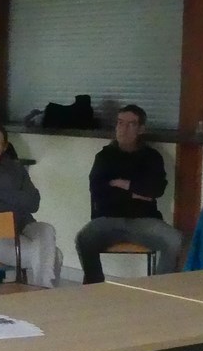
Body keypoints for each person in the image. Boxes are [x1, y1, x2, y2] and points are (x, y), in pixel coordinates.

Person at [74, 104, 184, 283]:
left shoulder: (151, 157)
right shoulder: (104, 156)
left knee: (175, 239)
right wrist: (137, 192)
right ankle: (94, 287)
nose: (123, 129)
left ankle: (160, 289)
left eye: (130, 124)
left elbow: (156, 190)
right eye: (120, 123)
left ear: (141, 129)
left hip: (144, 220)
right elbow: (98, 191)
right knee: (84, 238)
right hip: (108, 219)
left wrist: (121, 183)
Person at [0, 125, 62, 287]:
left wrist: (0, 193)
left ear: (4, 146)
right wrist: (17, 199)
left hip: (24, 226)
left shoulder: (16, 167)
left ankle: (42, 293)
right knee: (54, 256)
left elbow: (34, 202)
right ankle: (45, 294)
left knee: (46, 229)